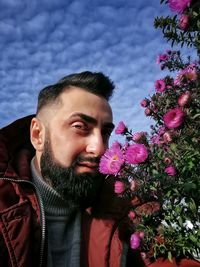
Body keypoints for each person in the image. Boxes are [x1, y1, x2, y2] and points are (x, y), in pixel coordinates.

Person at [0, 71, 199, 267]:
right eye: (80, 126)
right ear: (38, 135)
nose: (100, 148)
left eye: (105, 132)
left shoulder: (125, 207)